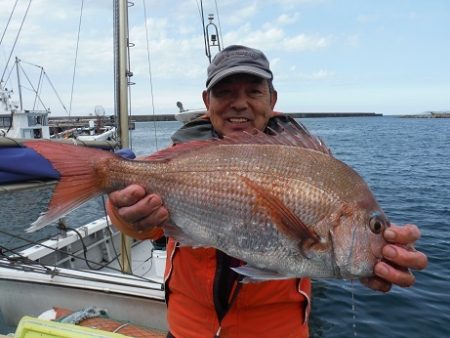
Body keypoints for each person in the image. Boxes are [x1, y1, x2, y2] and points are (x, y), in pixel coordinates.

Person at [106, 45, 428, 337]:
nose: (240, 103)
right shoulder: (181, 157)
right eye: (225, 92)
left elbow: (332, 250)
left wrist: (370, 259)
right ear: (207, 102)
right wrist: (124, 215)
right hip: (187, 328)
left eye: (254, 91)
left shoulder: (312, 164)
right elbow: (146, 227)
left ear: (272, 100)